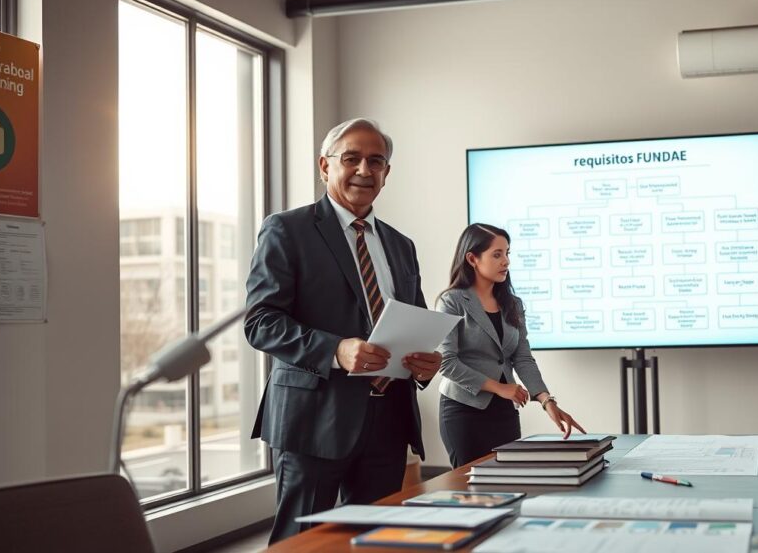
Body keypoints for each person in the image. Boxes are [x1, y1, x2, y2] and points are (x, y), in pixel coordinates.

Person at [244, 118, 441, 544]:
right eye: (351, 158)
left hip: (388, 419)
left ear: (387, 174)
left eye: (376, 161)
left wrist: (427, 363)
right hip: (314, 419)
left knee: (376, 539)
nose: (364, 170)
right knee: (305, 542)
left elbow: (416, 319)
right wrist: (336, 350)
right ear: (324, 166)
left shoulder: (400, 244)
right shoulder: (287, 230)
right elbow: (261, 322)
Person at [435, 223, 585, 468]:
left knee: (508, 480)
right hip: (463, 410)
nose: (506, 261)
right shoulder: (451, 301)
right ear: (472, 258)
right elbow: (447, 362)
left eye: (507, 253)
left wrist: (547, 401)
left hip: (504, 412)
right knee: (471, 489)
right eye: (497, 254)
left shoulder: (512, 304)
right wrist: (499, 387)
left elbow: (522, 358)